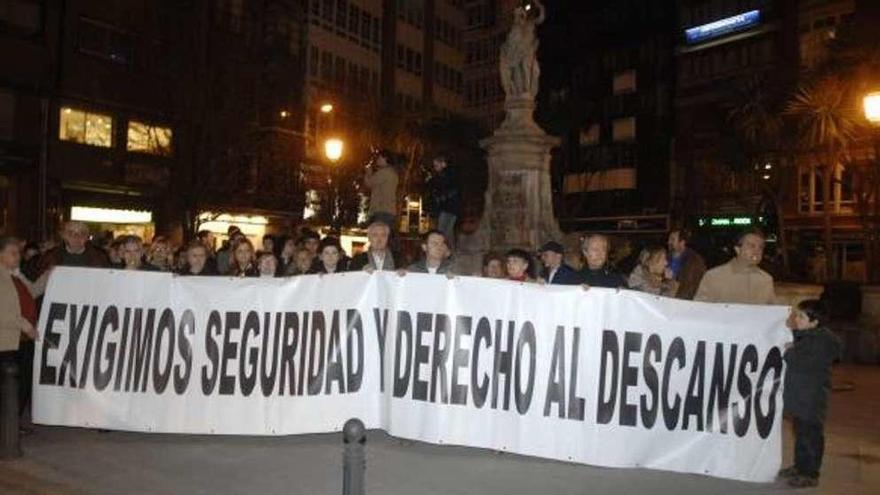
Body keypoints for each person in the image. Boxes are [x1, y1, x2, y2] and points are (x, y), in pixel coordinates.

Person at [777, 300, 841, 489]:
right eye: (796, 315)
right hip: (801, 397)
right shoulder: (806, 337)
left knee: (810, 436)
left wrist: (788, 352)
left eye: (801, 316)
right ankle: (799, 466)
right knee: (800, 434)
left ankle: (810, 474)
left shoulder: (822, 342)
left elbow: (805, 364)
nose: (796, 319)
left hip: (811, 399)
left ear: (814, 322)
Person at [0, 236, 49, 430]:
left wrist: (47, 275)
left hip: (24, 339)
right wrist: (25, 325)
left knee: (23, 384)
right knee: (10, 385)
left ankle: (13, 423)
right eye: (13, 253)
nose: (18, 257)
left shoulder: (16, 274)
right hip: (7, 340)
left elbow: (34, 291)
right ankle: (7, 427)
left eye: (18, 253)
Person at [694, 228, 776, 305]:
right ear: (737, 249)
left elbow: (772, 312)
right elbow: (700, 310)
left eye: (761, 247)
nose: (757, 251)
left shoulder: (766, 280)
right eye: (752, 246)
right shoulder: (713, 276)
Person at [36, 220, 109, 276]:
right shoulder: (50, 256)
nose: (76, 237)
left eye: (82, 233)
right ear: (63, 236)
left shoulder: (100, 257)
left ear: (87, 237)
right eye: (70, 233)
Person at [426, 156, 460, 246]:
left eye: (436, 165)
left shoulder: (446, 174)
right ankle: (450, 252)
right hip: (450, 207)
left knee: (442, 231)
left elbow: (446, 189)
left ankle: (442, 251)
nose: (435, 168)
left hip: (447, 207)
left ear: (443, 164)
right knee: (448, 231)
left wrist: (441, 196)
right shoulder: (447, 174)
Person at [667, 228, 707, 300]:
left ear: (682, 242)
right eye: (669, 239)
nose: (668, 242)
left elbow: (696, 284)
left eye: (672, 239)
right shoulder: (664, 258)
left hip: (685, 301)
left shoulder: (694, 260)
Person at [364, 149, 399, 229]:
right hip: (388, 210)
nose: (377, 160)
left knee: (378, 236)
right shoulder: (393, 173)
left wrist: (368, 172)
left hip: (381, 210)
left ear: (385, 159)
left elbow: (369, 183)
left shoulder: (384, 172)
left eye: (379, 158)